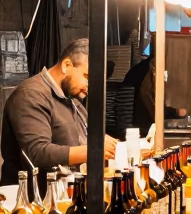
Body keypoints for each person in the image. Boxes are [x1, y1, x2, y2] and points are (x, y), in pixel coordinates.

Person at [1, 38, 116, 190]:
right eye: (87, 76)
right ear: (66, 65)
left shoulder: (71, 99)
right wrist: (94, 149)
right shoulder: (30, 95)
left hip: (68, 193)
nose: (90, 85)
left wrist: (109, 145)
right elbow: (38, 152)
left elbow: (86, 138)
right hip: (32, 202)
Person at [121, 52, 188, 134]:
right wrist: (175, 112)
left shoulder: (145, 70)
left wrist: (175, 112)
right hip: (137, 131)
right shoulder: (143, 75)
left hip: (137, 129)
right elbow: (152, 109)